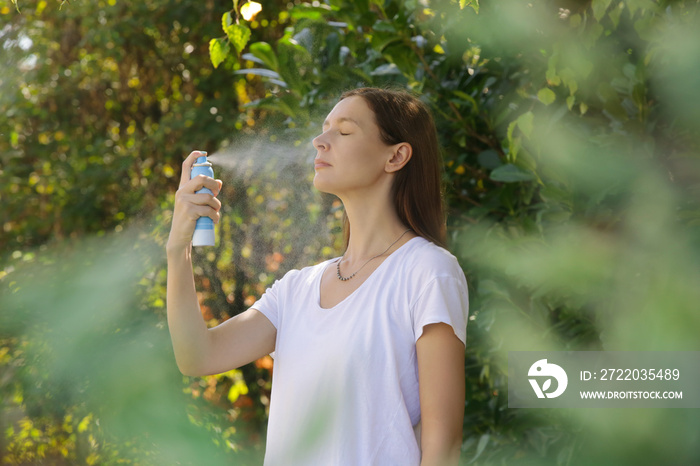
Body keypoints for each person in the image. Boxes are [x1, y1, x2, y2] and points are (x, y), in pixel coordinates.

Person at [166, 87, 469, 465]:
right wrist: (178, 250)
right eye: (324, 129)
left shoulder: (427, 272)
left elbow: (442, 446)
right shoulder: (296, 290)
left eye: (343, 132)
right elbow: (198, 357)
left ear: (396, 156)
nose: (319, 141)